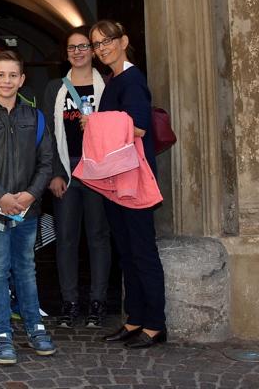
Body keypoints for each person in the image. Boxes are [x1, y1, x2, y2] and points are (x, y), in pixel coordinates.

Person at [0, 50, 56, 364]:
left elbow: (47, 162)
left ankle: (35, 326)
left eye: (12, 75)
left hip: (27, 209)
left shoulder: (36, 117)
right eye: (0, 75)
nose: (7, 80)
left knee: (26, 268)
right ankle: (2, 333)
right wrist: (1, 196)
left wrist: (30, 195)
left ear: (22, 79)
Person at [88, 20, 167, 348]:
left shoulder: (132, 79)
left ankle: (156, 325)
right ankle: (135, 318)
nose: (102, 48)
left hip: (133, 178)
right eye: (97, 44)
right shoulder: (114, 79)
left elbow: (140, 127)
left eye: (107, 40)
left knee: (142, 252)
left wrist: (94, 123)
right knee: (127, 252)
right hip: (117, 178)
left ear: (123, 41)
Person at [42, 26, 110, 328]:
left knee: (98, 237)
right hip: (66, 173)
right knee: (66, 239)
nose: (78, 52)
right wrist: (54, 174)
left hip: (99, 172)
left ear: (93, 51)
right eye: (72, 47)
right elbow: (47, 135)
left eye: (84, 46)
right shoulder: (54, 88)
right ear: (65, 53)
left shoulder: (107, 85)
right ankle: (69, 302)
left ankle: (98, 302)